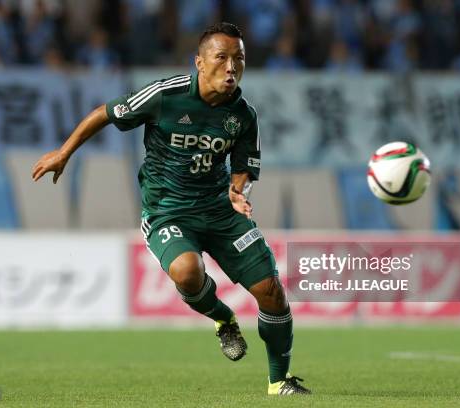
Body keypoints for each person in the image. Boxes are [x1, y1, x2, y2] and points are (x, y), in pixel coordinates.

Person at [31, 22, 310, 396]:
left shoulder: (243, 115)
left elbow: (244, 167)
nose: (231, 67)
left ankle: (279, 381)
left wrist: (237, 189)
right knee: (187, 270)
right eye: (222, 58)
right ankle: (223, 318)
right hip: (168, 211)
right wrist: (64, 154)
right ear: (199, 61)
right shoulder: (166, 95)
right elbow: (105, 113)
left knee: (271, 291)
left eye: (239, 59)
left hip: (220, 212)